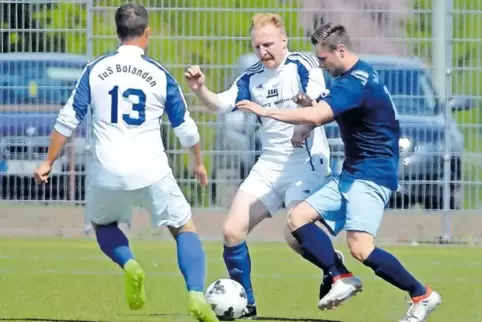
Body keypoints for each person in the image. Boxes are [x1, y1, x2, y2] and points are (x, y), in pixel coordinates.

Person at [236, 22, 442, 322]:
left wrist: (267, 111)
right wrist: (308, 116)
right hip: (353, 171)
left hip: (372, 175)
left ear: (340, 50)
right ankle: (341, 276)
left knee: (360, 247)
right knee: (297, 218)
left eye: (323, 59)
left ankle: (421, 294)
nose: (321, 65)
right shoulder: (354, 76)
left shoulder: (354, 82)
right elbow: (328, 110)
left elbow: (321, 113)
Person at [33, 4, 219, 322]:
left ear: (117, 33)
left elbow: (67, 120)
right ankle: (196, 294)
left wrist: (48, 161)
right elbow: (187, 129)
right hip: (151, 170)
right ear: (147, 33)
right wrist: (198, 164)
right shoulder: (160, 75)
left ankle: (130, 264)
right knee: (183, 227)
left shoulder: (96, 69)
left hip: (106, 170)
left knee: (103, 225)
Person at [184, 13, 344, 319]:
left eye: (268, 44)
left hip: (305, 162)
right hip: (269, 164)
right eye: (257, 46)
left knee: (296, 232)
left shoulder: (303, 65)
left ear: (284, 41)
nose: (263, 52)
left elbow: (316, 101)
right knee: (232, 231)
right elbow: (221, 104)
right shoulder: (251, 77)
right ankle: (247, 307)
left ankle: (335, 268)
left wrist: (306, 123)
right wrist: (200, 89)